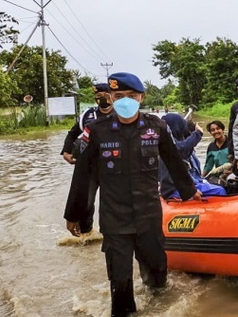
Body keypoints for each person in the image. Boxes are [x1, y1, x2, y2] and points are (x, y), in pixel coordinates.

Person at [63, 72, 202, 317]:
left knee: (158, 277)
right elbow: (83, 176)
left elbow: (174, 161)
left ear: (141, 97)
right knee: (120, 285)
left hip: (149, 217)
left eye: (131, 95)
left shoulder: (156, 127)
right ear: (111, 98)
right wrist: (74, 214)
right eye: (118, 96)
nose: (125, 100)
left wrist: (191, 191)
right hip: (115, 220)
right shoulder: (95, 131)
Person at [60, 82, 113, 236]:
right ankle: (86, 234)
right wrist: (66, 152)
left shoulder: (121, 114)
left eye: (105, 95)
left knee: (113, 201)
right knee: (86, 201)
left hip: (113, 165)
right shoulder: (88, 116)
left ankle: (112, 234)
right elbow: (72, 133)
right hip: (89, 165)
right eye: (98, 96)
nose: (101, 99)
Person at [159, 114, 226, 198]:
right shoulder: (169, 145)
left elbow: (187, 151)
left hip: (186, 184)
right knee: (220, 190)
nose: (216, 131)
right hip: (176, 189)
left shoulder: (177, 144)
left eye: (218, 129)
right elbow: (181, 150)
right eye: (213, 130)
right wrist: (197, 134)